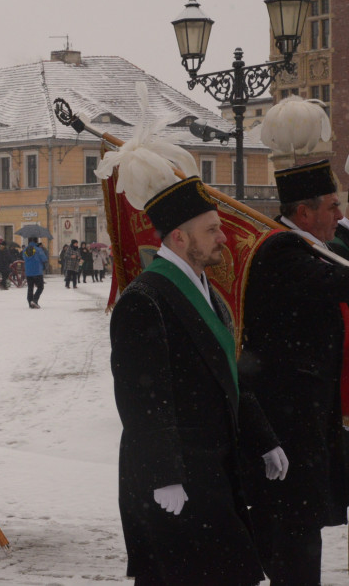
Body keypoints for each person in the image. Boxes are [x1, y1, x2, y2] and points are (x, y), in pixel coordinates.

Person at [110, 175, 284, 586]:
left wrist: (264, 439)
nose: (223, 237)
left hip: (214, 469)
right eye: (212, 230)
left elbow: (229, 375)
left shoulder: (208, 291)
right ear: (179, 238)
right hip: (176, 478)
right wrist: (163, 474)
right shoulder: (144, 298)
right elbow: (141, 399)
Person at [240, 159, 349, 585]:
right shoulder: (282, 250)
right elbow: (339, 284)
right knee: (293, 544)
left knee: (299, 537)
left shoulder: (306, 245)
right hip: (287, 431)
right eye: (333, 206)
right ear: (304, 212)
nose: (340, 216)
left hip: (304, 426)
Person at [22, 238, 48, 309]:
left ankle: (30, 302)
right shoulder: (39, 250)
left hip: (28, 272)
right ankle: (35, 300)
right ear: (36, 241)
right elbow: (44, 259)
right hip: (37, 271)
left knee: (30, 287)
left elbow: (24, 258)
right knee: (40, 287)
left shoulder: (25, 250)